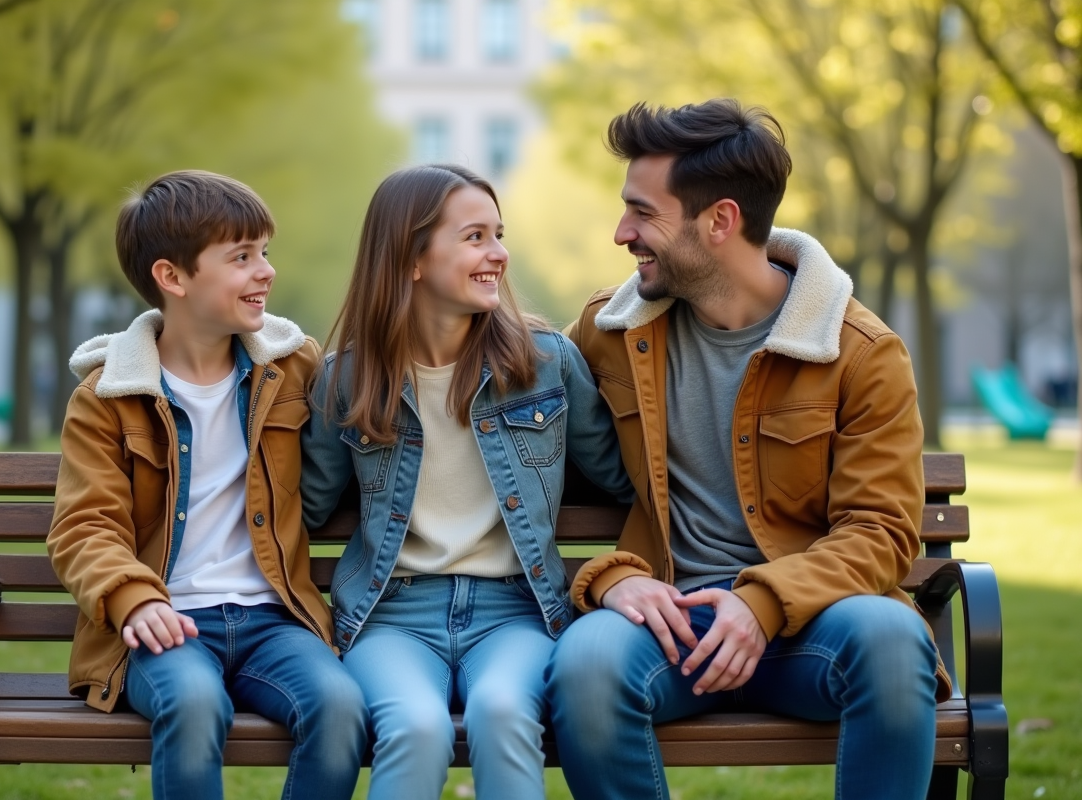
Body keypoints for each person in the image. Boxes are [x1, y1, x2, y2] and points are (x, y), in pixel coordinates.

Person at [544, 100, 952, 800]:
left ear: (720, 221)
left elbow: (881, 533)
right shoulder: (608, 332)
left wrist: (763, 603)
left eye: (643, 213)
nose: (622, 233)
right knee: (585, 664)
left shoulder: (861, 353)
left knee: (891, 639)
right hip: (666, 627)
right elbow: (520, 450)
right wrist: (611, 578)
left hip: (811, 630)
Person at [301, 164, 631, 800]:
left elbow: (622, 480)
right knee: (417, 727)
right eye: (475, 237)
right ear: (413, 259)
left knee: (504, 711)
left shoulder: (545, 365)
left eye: (498, 234)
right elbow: (304, 507)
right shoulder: (348, 379)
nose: (499, 255)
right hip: (392, 616)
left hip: (516, 611)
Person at [47, 170, 367, 800]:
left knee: (339, 707)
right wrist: (135, 599)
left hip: (273, 621)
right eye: (241, 257)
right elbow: (85, 526)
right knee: (194, 706)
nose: (266, 272)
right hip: (166, 625)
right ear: (174, 277)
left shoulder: (292, 368)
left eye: (265, 252)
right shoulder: (107, 398)